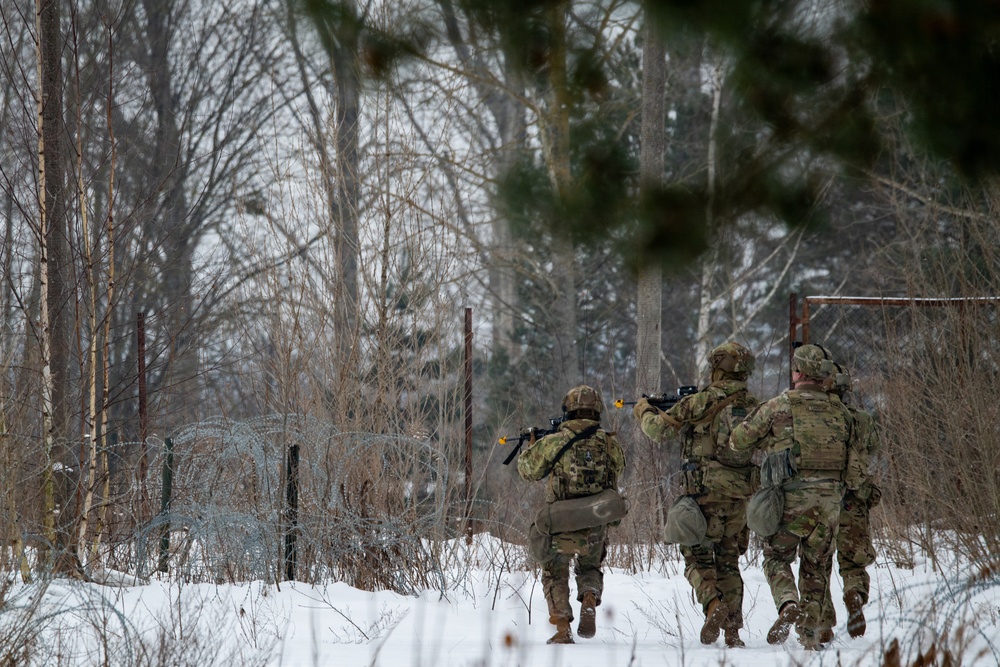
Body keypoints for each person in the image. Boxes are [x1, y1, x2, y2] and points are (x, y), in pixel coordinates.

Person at [729, 344, 867, 650]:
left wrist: (770, 438)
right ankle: (810, 635)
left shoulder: (779, 406)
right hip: (831, 503)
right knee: (817, 567)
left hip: (790, 501)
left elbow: (738, 440)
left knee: (776, 556)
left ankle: (787, 603)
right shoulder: (841, 412)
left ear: (798, 372)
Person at [632, 342, 759, 648]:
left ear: (717, 367)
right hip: (740, 494)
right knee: (729, 560)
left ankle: (713, 604)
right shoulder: (756, 404)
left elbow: (658, 431)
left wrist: (643, 411)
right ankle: (733, 632)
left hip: (704, 492)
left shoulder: (701, 401)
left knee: (696, 555)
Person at [517, 385, 626, 644]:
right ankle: (588, 596)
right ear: (597, 409)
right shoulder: (609, 442)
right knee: (589, 566)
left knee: (555, 571)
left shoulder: (554, 441)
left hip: (561, 519)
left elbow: (527, 470)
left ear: (568, 410)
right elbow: (618, 469)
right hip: (596, 518)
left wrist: (533, 446)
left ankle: (563, 625)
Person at [819, 363, 880, 639]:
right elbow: (872, 449)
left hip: (823, 500)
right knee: (853, 560)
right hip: (854, 500)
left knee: (819, 561)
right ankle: (854, 594)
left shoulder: (821, 418)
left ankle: (824, 620)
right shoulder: (862, 419)